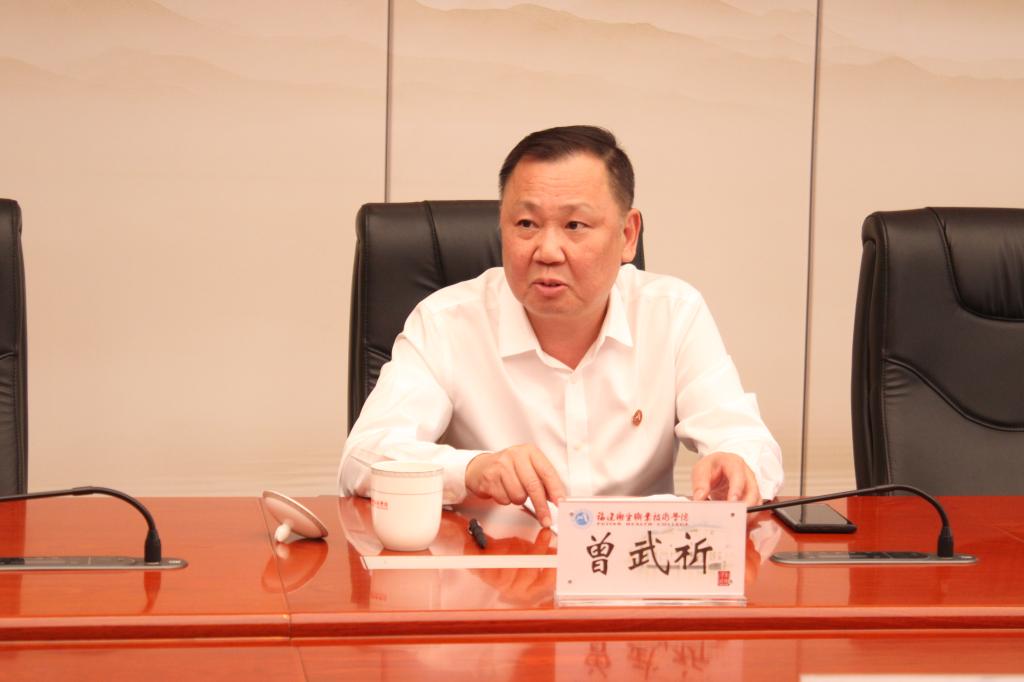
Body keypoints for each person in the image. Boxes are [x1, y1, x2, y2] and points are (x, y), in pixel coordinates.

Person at [339, 125, 783, 527]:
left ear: (628, 235)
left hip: (635, 573)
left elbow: (745, 439)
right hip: (499, 574)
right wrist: (472, 470)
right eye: (526, 224)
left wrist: (737, 463)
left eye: (575, 225)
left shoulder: (672, 313)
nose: (547, 251)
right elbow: (363, 458)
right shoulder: (447, 322)